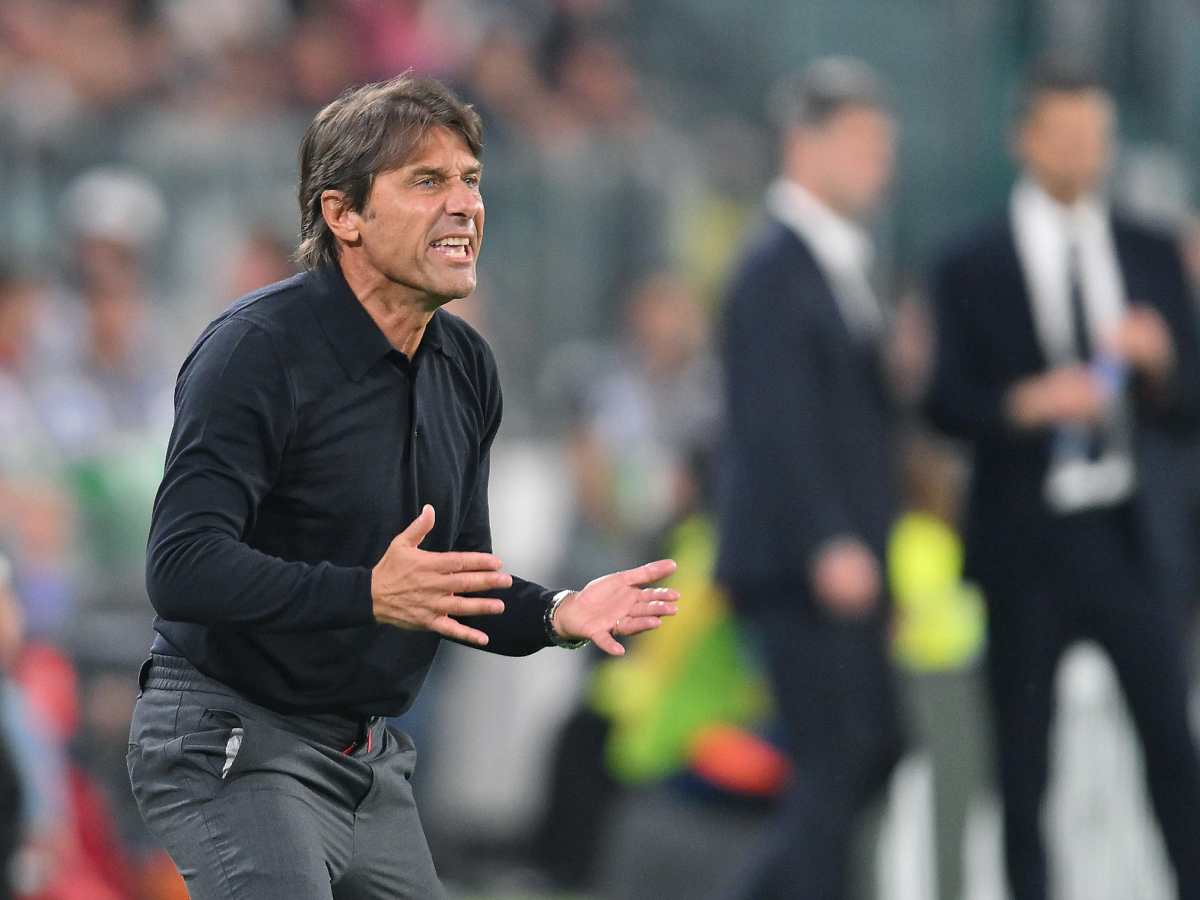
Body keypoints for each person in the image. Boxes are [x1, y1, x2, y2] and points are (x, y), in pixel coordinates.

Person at [126, 74, 681, 900]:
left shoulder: (466, 367)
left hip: (365, 759)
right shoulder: (255, 350)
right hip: (233, 737)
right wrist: (366, 593)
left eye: (471, 179)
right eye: (427, 181)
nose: (464, 203)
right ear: (342, 214)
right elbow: (180, 569)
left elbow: (453, 584)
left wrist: (558, 612)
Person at [926, 60, 1200, 900]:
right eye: (1067, 134)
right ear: (1026, 139)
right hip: (1027, 543)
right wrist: (1026, 403)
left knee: (1171, 748)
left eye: (1097, 136)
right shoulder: (971, 261)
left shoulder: (1152, 253)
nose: (1085, 152)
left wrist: (1161, 365)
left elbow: (1191, 407)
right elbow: (942, 401)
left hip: (1131, 537)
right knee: (1024, 757)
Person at [713, 57, 904, 900]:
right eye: (861, 144)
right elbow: (775, 424)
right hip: (803, 565)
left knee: (871, 747)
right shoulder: (772, 271)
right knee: (837, 759)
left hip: (843, 560)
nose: (878, 164)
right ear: (804, 144)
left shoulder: (837, 264)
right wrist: (828, 537)